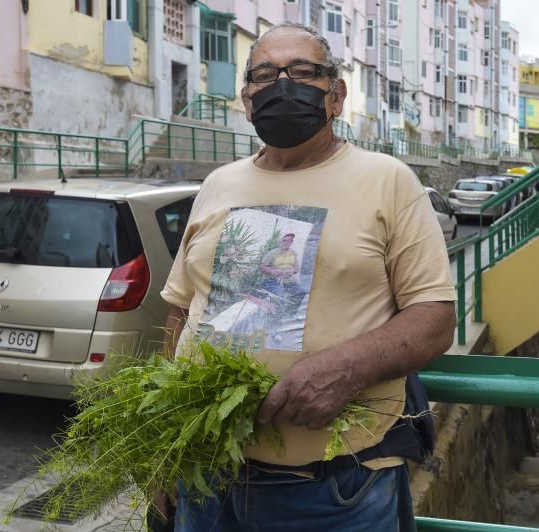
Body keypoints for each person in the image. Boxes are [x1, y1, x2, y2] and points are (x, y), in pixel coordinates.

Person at [155, 22, 457, 532]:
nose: (282, 86)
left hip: (335, 490)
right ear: (247, 100)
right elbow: (182, 311)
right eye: (266, 75)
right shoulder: (217, 185)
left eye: (301, 72)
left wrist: (347, 367)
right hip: (206, 476)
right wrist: (163, 449)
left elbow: (435, 319)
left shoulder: (388, 181)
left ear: (335, 96)